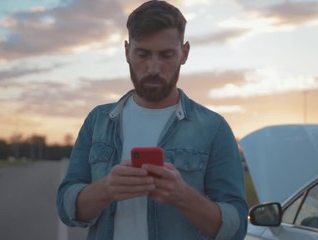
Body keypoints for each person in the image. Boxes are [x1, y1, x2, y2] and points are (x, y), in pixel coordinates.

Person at [56, 1, 248, 239]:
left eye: (166, 55)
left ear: (184, 53)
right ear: (127, 52)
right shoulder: (98, 121)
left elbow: (237, 227)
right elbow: (66, 207)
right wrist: (106, 189)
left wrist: (183, 196)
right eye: (143, 54)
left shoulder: (213, 128)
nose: (154, 68)